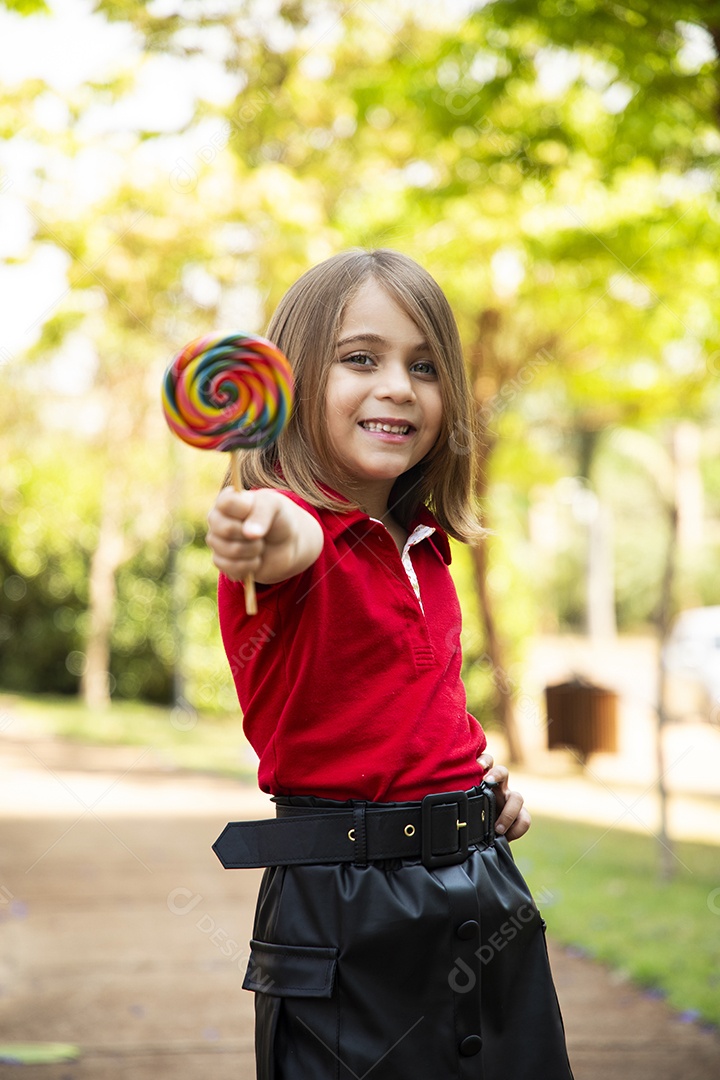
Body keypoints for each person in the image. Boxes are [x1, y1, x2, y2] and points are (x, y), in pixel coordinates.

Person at [206, 248, 574, 1080]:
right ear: (290, 385)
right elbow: (280, 536)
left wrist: (478, 790)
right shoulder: (289, 532)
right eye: (360, 359)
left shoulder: (429, 553)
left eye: (424, 366)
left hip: (485, 890)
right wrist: (254, 529)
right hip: (347, 914)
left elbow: (417, 706)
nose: (399, 387)